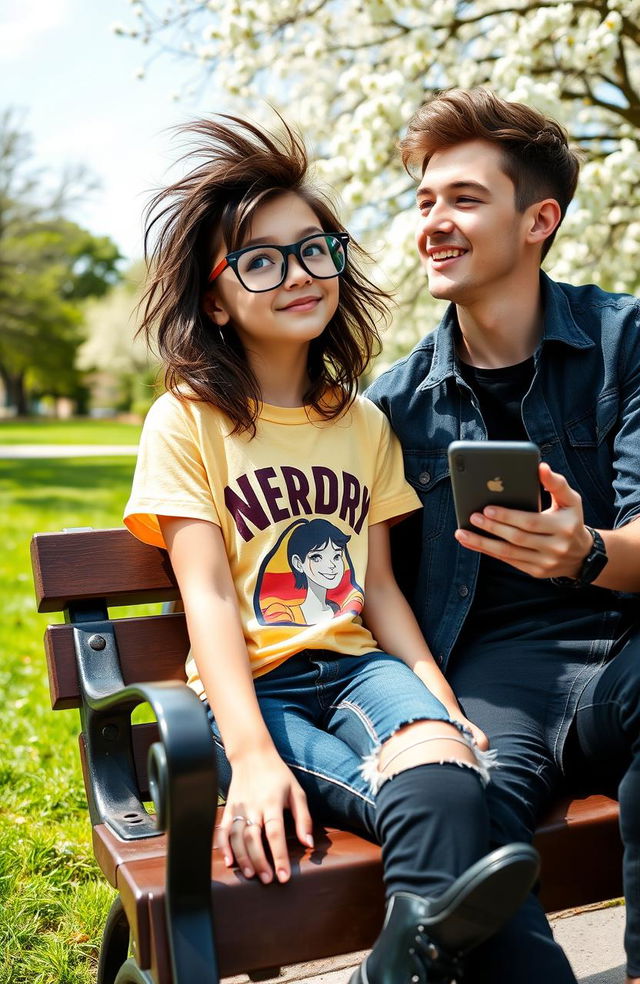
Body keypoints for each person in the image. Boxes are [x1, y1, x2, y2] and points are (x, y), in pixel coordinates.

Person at [123, 114, 539, 984]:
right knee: (437, 800)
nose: (300, 275)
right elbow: (204, 597)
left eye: (316, 250)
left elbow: (378, 587)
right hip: (256, 688)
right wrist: (251, 759)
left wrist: (432, 688)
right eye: (261, 260)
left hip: (356, 669)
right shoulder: (186, 421)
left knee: (448, 768)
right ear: (214, 297)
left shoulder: (362, 422)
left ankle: (397, 965)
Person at [366, 87, 640, 983]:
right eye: (425, 202)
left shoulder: (624, 339)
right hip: (492, 676)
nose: (434, 223)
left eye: (465, 199)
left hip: (628, 640)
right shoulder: (393, 407)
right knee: (465, 808)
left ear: (539, 220)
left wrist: (589, 551)